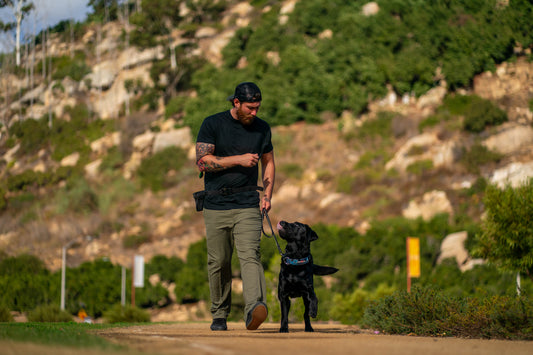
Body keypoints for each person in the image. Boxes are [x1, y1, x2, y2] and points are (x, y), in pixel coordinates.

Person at [195, 82, 275, 331]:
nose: (255, 113)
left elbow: (269, 162)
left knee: (250, 255)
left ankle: (254, 308)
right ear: (236, 103)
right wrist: (237, 160)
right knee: (218, 261)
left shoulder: (262, 129)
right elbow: (202, 163)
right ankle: (219, 314)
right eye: (250, 108)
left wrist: (268, 195)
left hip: (248, 203)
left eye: (257, 108)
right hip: (215, 203)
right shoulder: (212, 123)